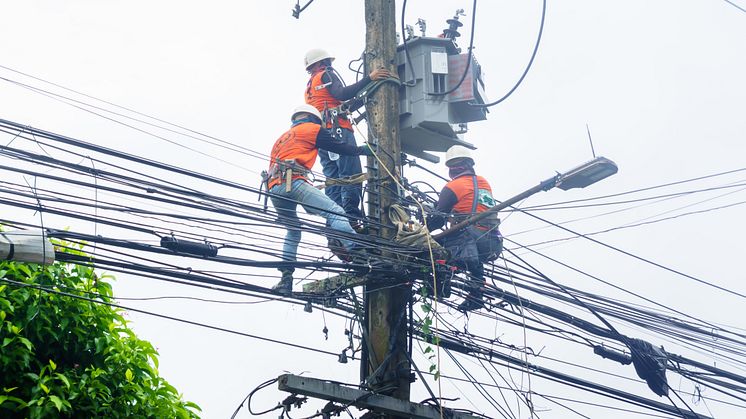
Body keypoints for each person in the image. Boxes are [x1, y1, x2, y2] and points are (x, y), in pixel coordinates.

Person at [267, 104, 372, 295]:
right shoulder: (313, 129)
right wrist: (362, 151)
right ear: (314, 119)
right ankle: (360, 259)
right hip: (294, 183)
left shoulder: (281, 139)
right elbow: (339, 147)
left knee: (293, 231)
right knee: (336, 212)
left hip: (274, 189)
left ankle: (286, 279)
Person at [303, 48, 391, 228]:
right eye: (328, 62)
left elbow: (339, 104)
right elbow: (342, 94)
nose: (330, 66)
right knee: (351, 175)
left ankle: (335, 220)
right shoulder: (326, 74)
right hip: (338, 131)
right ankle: (350, 219)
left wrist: (367, 94)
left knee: (333, 179)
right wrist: (370, 78)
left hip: (321, 136)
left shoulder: (310, 87)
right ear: (321, 63)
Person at [426, 145, 503, 311]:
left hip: (467, 241)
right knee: (474, 261)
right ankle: (477, 295)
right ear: (471, 164)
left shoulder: (452, 187)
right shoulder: (484, 183)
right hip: (491, 241)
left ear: (450, 170)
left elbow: (437, 221)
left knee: (432, 249)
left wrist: (421, 230)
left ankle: (441, 286)